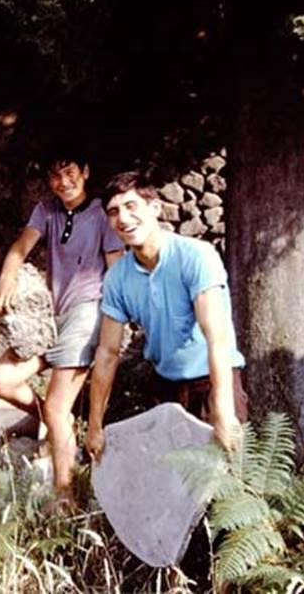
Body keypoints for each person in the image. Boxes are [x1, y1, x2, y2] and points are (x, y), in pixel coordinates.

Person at [0, 146, 124, 499]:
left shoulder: (100, 214)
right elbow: (21, 246)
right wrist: (7, 277)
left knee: (57, 406)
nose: (63, 182)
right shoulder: (46, 210)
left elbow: (117, 267)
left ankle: (66, 499)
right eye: (55, 176)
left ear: (86, 171)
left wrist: (118, 322)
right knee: (0, 379)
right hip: (51, 318)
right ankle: (56, 422)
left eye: (70, 173)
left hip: (87, 313)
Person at [85, 170, 248, 463]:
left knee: (227, 486)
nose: (123, 218)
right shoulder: (117, 279)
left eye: (131, 206)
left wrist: (223, 409)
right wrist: (95, 425)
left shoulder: (196, 256)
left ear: (155, 208)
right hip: (166, 387)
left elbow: (217, 337)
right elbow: (108, 352)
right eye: (113, 212)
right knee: (174, 487)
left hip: (213, 381)